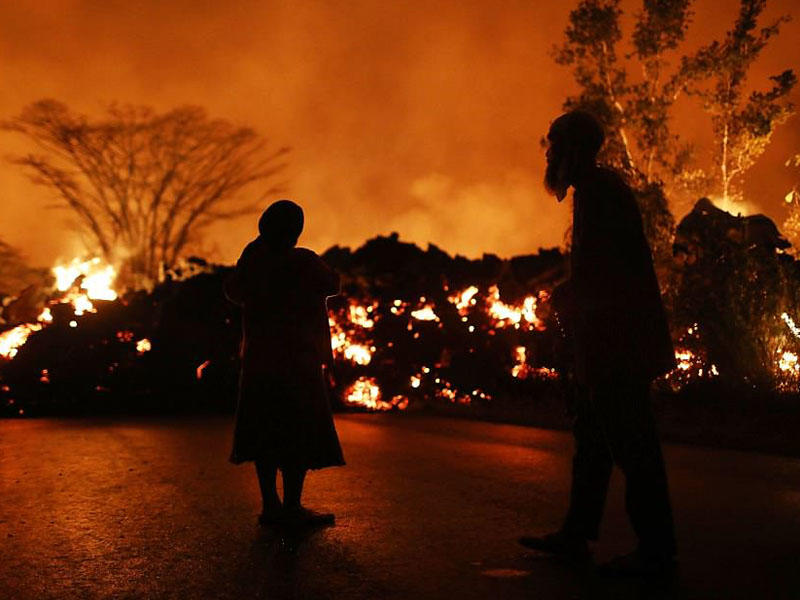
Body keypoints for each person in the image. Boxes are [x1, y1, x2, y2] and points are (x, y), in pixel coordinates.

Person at [519, 111, 677, 576]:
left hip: (618, 348)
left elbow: (608, 276)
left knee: (634, 448)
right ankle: (575, 535)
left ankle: (657, 552)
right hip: (609, 343)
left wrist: (571, 300)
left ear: (571, 150)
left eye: (553, 145)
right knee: (593, 443)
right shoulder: (596, 191)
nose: (548, 154)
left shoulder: (601, 193)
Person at [225, 199, 345, 528]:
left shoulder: (254, 264)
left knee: (264, 432)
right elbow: (333, 283)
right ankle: (292, 507)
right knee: (296, 432)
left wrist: (254, 251)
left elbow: (233, 290)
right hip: (298, 362)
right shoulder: (304, 262)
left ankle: (271, 506)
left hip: (260, 361)